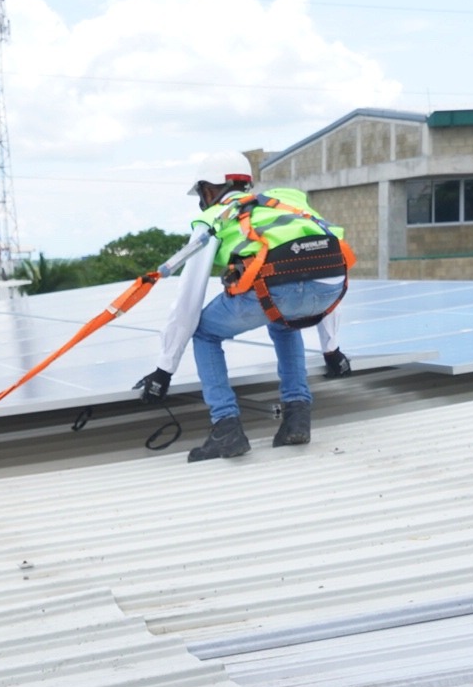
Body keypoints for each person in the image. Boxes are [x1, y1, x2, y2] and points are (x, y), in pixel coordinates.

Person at [135, 154, 353, 461]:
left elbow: (188, 299)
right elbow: (319, 262)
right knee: (285, 320)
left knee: (204, 332)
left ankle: (226, 428)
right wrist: (331, 350)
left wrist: (164, 369)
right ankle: (297, 418)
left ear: (210, 190)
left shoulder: (213, 218)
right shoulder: (289, 203)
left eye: (202, 193)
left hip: (273, 291)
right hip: (331, 288)